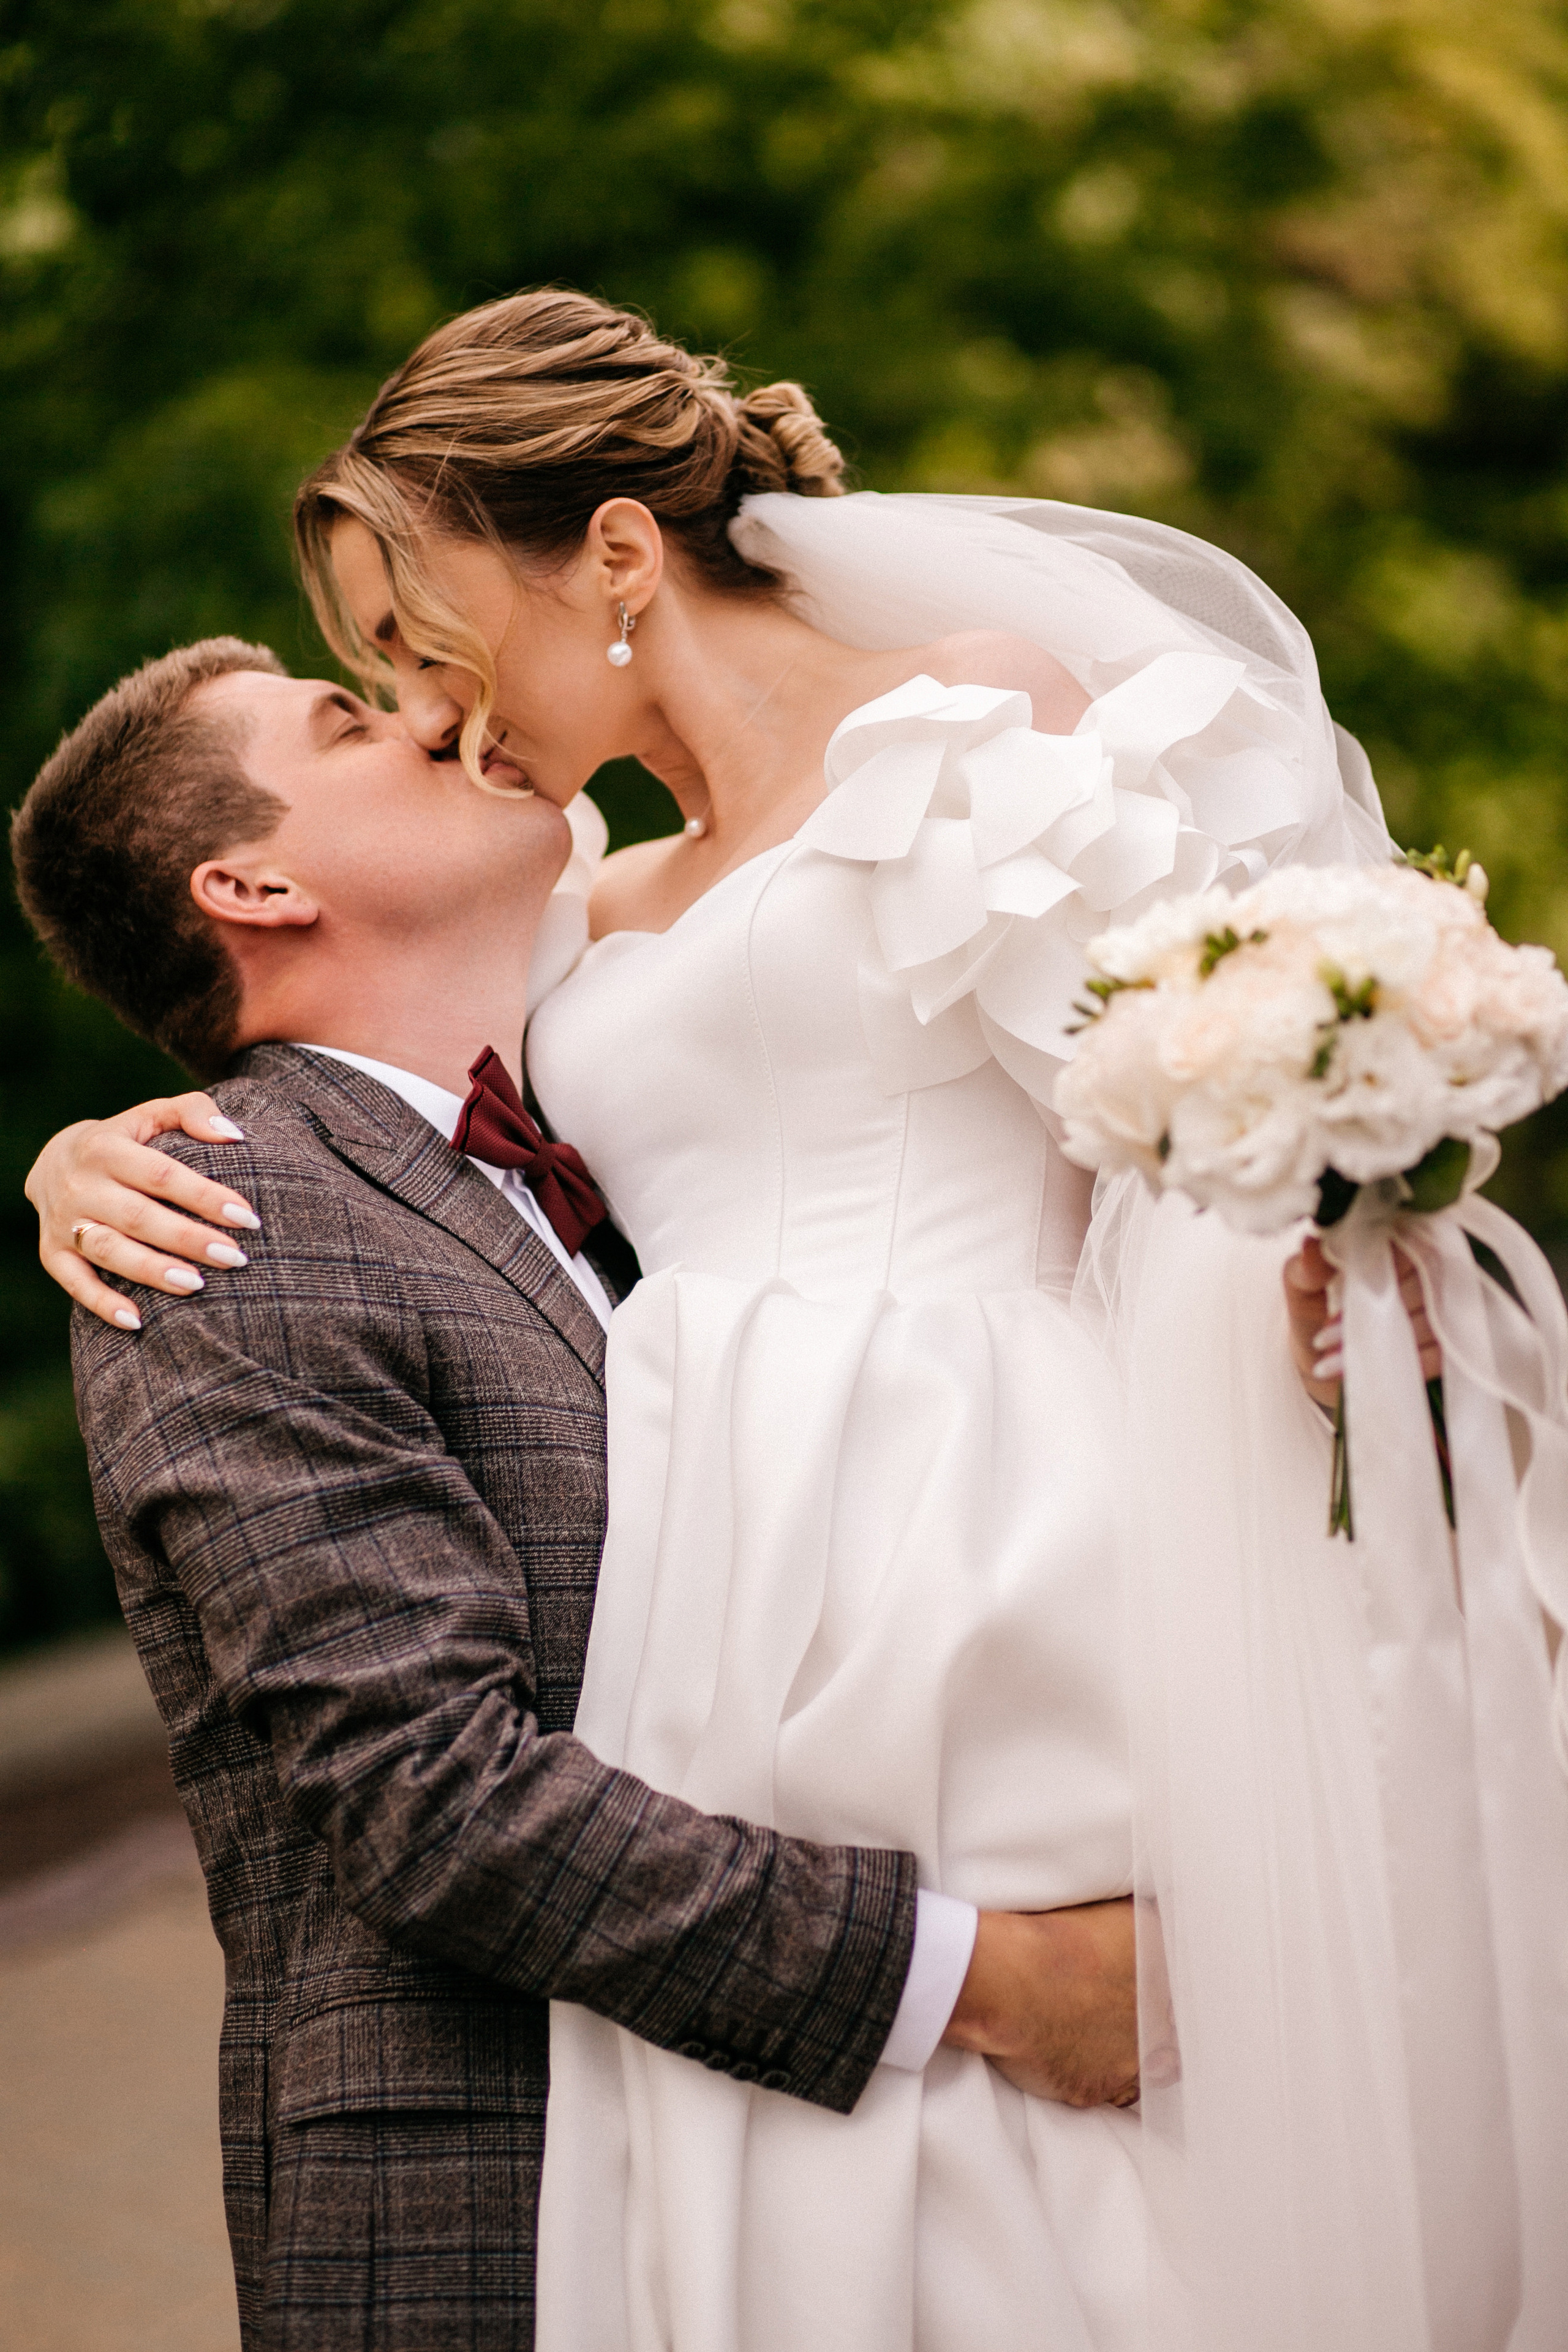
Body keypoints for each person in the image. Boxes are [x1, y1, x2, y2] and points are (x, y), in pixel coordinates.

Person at [25, 290, 1567, 2352]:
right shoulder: (575, 918)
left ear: (622, 561)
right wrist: (89, 1149)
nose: (418, 702)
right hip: (722, 1603)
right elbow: (373, 1112)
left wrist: (1303, 1265)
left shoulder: (967, 732)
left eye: (414, 638)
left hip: (996, 1516)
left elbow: (1173, 1103)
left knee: (1106, 2188)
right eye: (365, 688)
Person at [10, 635, 1142, 2352]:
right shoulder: (224, 1229)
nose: (431, 717)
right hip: (490, 2212)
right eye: (348, 720)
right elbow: (430, 1797)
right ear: (250, 880)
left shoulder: (609, 1164)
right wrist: (997, 1986)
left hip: (774, 2185)